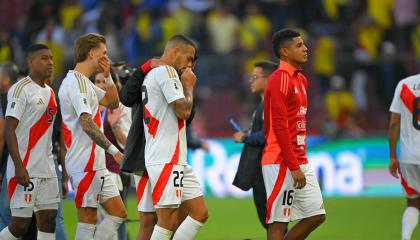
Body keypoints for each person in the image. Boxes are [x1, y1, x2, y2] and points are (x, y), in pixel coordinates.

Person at [58, 33, 127, 240]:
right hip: (84, 163)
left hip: (95, 164)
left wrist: (107, 76)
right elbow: (87, 124)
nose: (107, 56)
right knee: (87, 219)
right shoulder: (76, 85)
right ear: (92, 53)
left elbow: (113, 103)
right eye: (104, 53)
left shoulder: (84, 83)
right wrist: (114, 151)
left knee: (119, 213)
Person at [142, 34, 208, 240]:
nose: (190, 65)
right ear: (175, 52)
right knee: (167, 220)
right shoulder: (167, 72)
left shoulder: (158, 74)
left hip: (175, 158)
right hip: (165, 158)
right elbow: (183, 111)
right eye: (188, 58)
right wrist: (189, 86)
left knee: (199, 213)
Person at [262, 29, 326, 240]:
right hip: (281, 161)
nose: (306, 48)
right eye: (299, 45)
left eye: (304, 44)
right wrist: (292, 165)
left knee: (316, 215)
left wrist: (297, 162)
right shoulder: (279, 79)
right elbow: (278, 126)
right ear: (284, 52)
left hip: (298, 158)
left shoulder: (302, 80)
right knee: (278, 223)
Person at [0, 44, 59, 240]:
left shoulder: (50, 92)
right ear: (30, 61)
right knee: (20, 226)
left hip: (48, 168)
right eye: (43, 58)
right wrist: (18, 165)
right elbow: (9, 129)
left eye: (50, 58)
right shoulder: (20, 89)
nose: (49, 62)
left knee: (49, 220)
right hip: (25, 166)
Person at [232, 61, 278, 230]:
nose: (250, 81)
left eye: (254, 77)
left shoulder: (271, 103)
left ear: (269, 79)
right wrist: (250, 132)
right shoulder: (263, 103)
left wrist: (245, 138)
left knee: (272, 222)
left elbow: (269, 135)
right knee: (271, 221)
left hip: (266, 168)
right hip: (264, 167)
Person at [92, 70, 132, 240]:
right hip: (90, 168)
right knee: (97, 220)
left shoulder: (119, 108)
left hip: (111, 170)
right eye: (97, 81)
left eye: (104, 82)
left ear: (113, 86)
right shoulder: (88, 106)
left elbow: (127, 143)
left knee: (112, 218)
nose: (100, 85)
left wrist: (114, 126)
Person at [389, 73, 420, 240]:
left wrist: (393, 156)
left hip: (409, 156)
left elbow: (394, 123)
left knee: (413, 203)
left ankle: (406, 238)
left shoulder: (404, 84)